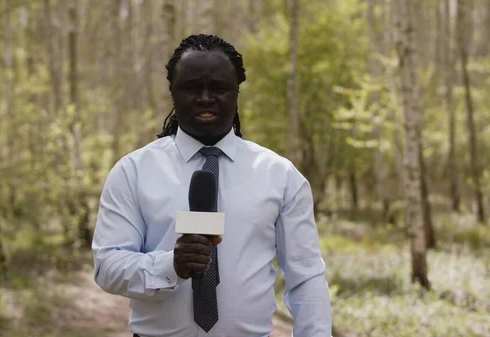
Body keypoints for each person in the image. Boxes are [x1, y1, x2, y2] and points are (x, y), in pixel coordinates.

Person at [92, 34, 332, 337]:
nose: (205, 98)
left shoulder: (280, 175)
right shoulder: (133, 171)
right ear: (173, 92)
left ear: (236, 92)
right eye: (192, 87)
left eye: (218, 88)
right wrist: (171, 266)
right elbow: (107, 266)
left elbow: (306, 275)